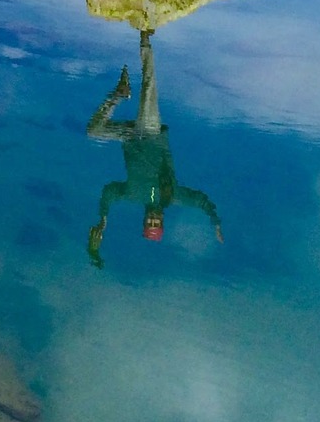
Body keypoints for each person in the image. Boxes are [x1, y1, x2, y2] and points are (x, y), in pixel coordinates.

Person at [86, 28, 222, 267]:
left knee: (93, 131)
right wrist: (215, 221)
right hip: (150, 132)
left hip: (128, 137)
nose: (152, 220)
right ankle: (145, 40)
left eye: (149, 224)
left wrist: (103, 218)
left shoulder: (131, 195)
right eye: (156, 224)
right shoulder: (173, 197)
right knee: (148, 88)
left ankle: (119, 94)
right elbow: (200, 200)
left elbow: (109, 191)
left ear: (144, 221)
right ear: (162, 222)